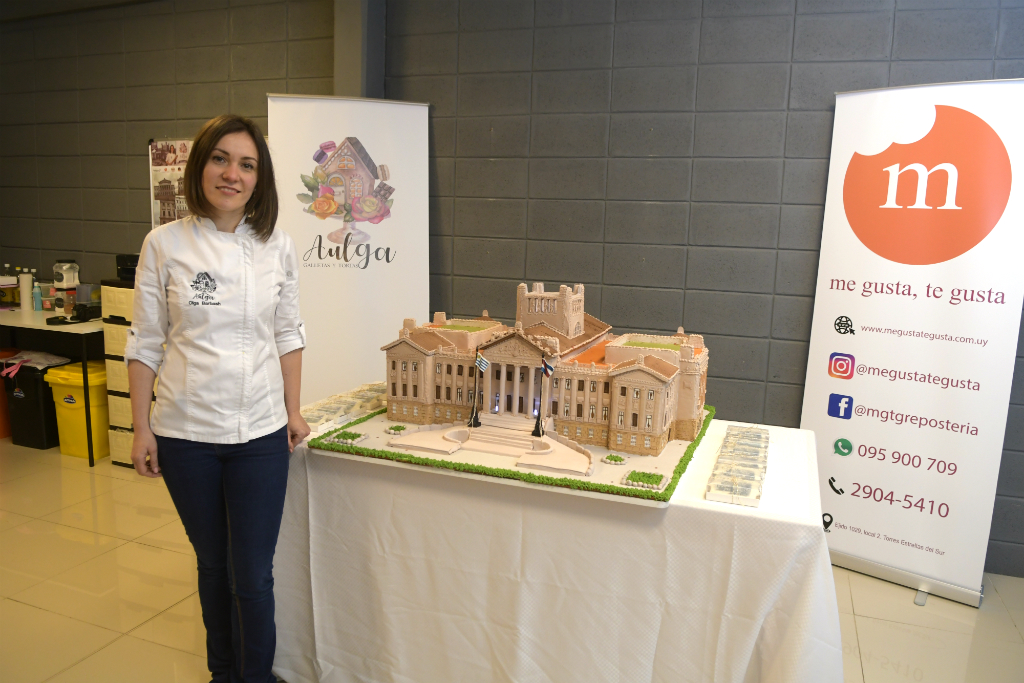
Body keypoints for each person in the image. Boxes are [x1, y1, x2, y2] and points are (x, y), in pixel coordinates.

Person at [126, 114, 309, 683]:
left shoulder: (276, 245)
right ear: (199, 165)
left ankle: (257, 677)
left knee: (252, 574)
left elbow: (288, 333)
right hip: (185, 435)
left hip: (259, 431)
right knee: (213, 564)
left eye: (247, 164)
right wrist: (140, 428)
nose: (232, 173)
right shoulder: (164, 244)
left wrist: (293, 409)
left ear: (260, 178)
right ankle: (222, 673)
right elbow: (145, 342)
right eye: (220, 159)